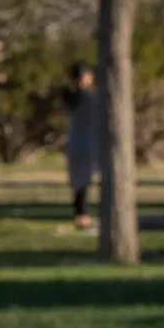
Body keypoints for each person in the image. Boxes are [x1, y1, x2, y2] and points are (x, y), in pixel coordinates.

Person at [64, 61, 98, 230]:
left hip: (75, 141)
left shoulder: (71, 96)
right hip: (88, 142)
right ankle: (83, 215)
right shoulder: (88, 98)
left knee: (78, 181)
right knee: (84, 180)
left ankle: (81, 214)